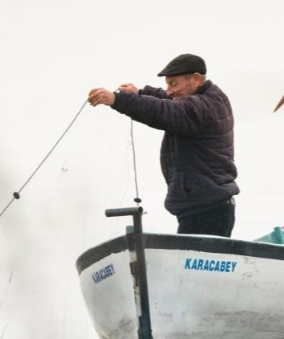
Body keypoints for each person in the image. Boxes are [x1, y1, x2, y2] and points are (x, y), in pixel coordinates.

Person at [87, 53, 239, 237]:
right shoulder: (210, 97)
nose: (168, 90)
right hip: (208, 205)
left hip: (206, 210)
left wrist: (117, 100)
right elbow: (169, 100)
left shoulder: (201, 107)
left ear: (196, 79)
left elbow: (163, 110)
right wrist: (141, 93)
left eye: (173, 83)